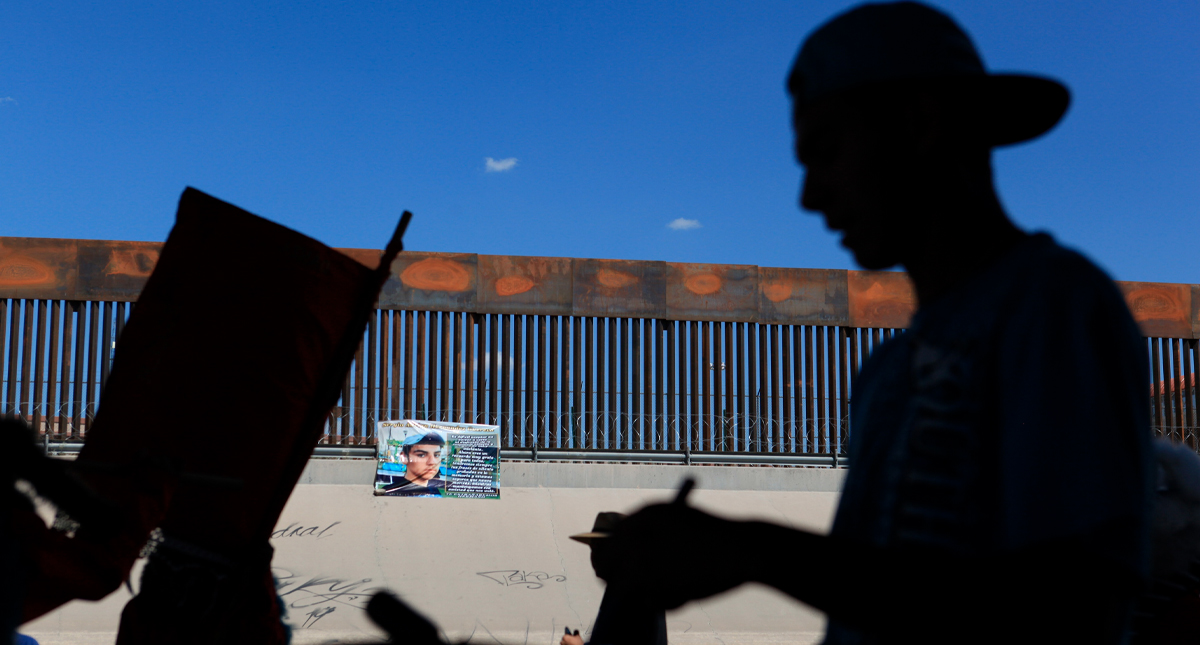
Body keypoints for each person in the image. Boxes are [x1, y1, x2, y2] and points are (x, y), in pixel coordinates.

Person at [602, 3, 1151, 644]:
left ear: (918, 124)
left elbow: (1071, 605)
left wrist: (749, 551)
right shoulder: (885, 371)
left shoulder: (1055, 307)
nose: (810, 195)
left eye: (828, 151)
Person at [561, 512, 668, 645]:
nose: (594, 555)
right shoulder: (620, 589)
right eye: (593, 547)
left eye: (602, 548)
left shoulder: (635, 595)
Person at [382, 432, 447, 497]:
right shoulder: (389, 493)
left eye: (436, 455)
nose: (432, 462)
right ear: (404, 457)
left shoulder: (435, 492)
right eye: (421, 455)